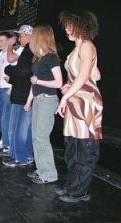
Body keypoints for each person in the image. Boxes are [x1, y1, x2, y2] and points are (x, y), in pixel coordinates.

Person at [56, 11, 102, 203]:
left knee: (85, 148)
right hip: (76, 101)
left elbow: (84, 76)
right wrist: (67, 86)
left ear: (82, 26)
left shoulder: (87, 45)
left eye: (70, 25)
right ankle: (73, 185)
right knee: (73, 148)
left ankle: (80, 191)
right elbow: (96, 75)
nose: (66, 28)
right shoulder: (76, 50)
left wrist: (65, 96)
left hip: (85, 103)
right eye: (66, 25)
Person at [25, 25, 63, 184]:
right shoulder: (38, 58)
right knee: (36, 137)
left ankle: (49, 175)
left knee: (41, 137)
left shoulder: (52, 58)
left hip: (48, 100)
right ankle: (41, 170)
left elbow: (59, 82)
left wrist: (38, 81)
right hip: (39, 99)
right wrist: (29, 100)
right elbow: (34, 84)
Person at [1, 25, 34, 168]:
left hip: (22, 96)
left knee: (18, 128)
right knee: (22, 128)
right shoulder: (29, 51)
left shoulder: (28, 52)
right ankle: (24, 155)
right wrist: (13, 78)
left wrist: (8, 69)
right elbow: (25, 75)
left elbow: (23, 72)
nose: (19, 38)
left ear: (28, 36)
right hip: (23, 94)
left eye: (20, 35)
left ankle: (20, 157)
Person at [0, 32, 22, 155]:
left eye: (2, 40)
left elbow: (18, 71)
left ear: (10, 41)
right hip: (0, 88)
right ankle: (5, 137)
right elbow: (0, 69)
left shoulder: (15, 54)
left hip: (9, 88)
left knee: (5, 117)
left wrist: (12, 87)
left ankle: (7, 144)